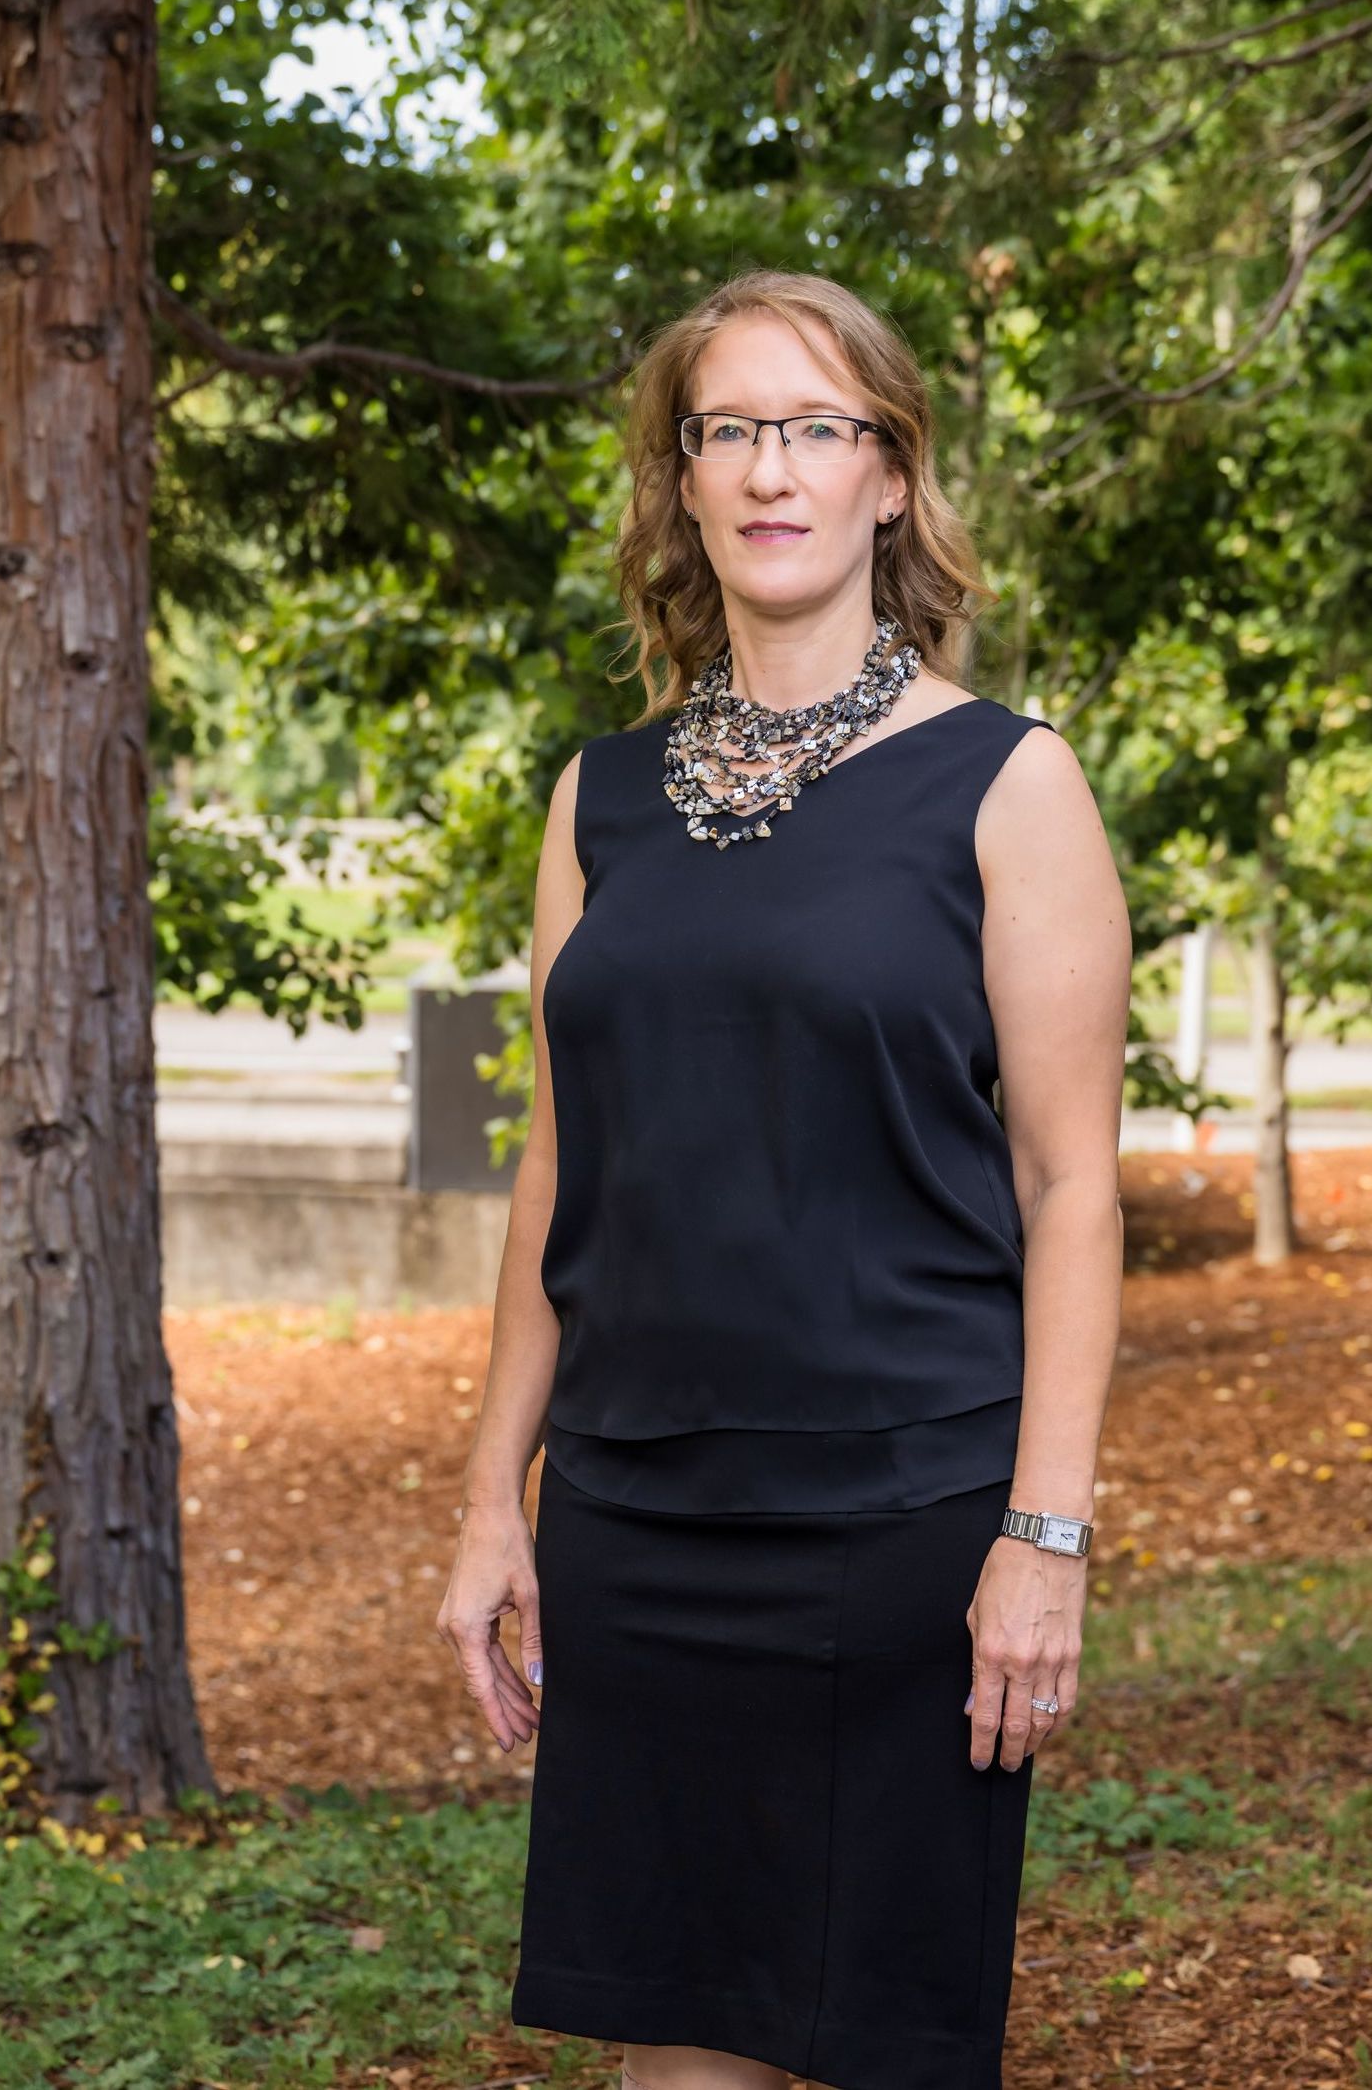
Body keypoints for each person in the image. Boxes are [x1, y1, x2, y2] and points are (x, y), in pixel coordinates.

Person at [437, 268, 1130, 2090]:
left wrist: (1041, 1538)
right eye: (725, 430)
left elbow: (1070, 1187)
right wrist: (490, 1499)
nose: (768, 470)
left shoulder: (1007, 784)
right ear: (680, 482)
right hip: (636, 1520)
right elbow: (556, 1169)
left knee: (882, 2050)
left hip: (903, 1525)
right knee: (677, 2056)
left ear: (890, 476)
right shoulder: (601, 801)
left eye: (814, 428)